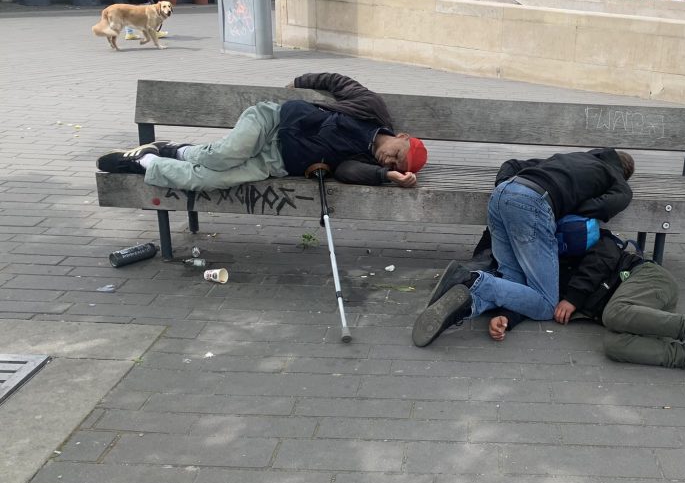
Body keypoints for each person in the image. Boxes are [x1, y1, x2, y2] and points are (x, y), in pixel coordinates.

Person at [411, 148, 634, 347]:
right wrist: (571, 204)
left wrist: (507, 190)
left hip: (502, 194)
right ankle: (470, 280)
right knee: (547, 304)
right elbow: (614, 201)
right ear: (623, 172)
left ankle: (466, 306)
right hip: (533, 204)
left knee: (512, 284)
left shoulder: (570, 158)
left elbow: (512, 164)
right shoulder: (615, 176)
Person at [485, 230, 685, 386]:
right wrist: (506, 317)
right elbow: (531, 299)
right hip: (636, 315)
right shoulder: (529, 275)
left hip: (646, 279)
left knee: (614, 313)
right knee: (614, 346)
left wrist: (573, 297)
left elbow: (607, 248)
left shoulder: (558, 241)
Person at [96, 73, 428, 192]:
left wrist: (385, 177)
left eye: (394, 165)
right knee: (226, 155)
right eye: (396, 156)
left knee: (208, 179)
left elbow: (344, 171)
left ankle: (144, 162)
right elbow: (337, 82)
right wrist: (300, 82)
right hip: (273, 121)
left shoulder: (367, 163)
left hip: (277, 162)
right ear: (401, 137)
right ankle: (175, 150)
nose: (389, 160)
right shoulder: (372, 108)